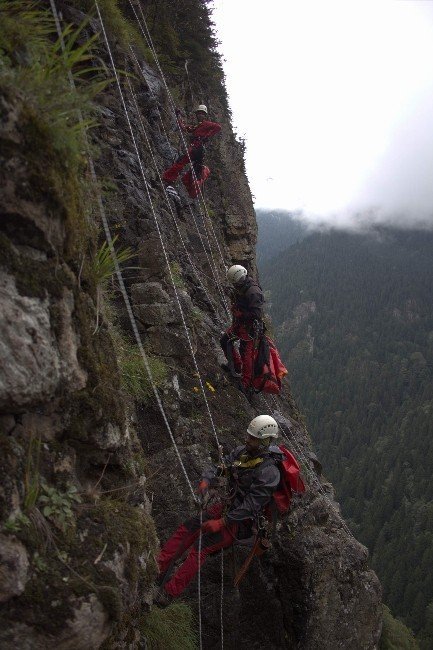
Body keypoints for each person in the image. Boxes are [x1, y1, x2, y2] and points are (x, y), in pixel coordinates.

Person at [155, 415, 283, 603]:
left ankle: (168, 593)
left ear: (265, 441)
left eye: (253, 438)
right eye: (248, 436)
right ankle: (158, 567)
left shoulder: (269, 472)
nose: (247, 440)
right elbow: (221, 467)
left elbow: (251, 506)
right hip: (226, 507)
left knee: (202, 546)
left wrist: (222, 522)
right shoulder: (243, 453)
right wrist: (207, 478)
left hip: (241, 524)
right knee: (188, 528)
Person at [220, 265, 265, 391]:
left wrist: (241, 314)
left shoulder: (253, 292)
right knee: (224, 340)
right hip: (241, 325)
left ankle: (246, 384)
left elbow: (257, 314)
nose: (235, 285)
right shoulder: (242, 287)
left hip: (251, 329)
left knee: (247, 354)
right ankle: (235, 365)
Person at [163, 104, 221, 199]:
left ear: (205, 115)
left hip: (197, 148)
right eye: (199, 113)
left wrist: (207, 136)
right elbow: (185, 128)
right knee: (194, 170)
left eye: (202, 113)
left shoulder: (206, 124)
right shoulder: (197, 126)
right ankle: (182, 188)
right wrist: (178, 116)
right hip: (198, 149)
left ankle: (168, 179)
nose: (200, 115)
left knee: (181, 161)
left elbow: (218, 127)